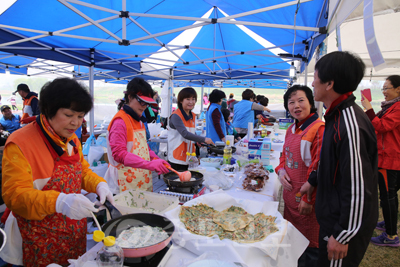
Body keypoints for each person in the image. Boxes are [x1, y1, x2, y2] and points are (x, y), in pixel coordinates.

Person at [0, 78, 115, 266]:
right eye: (69, 114)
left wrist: (99, 184)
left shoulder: (70, 138)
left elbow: (82, 171)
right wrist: (59, 202)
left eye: (80, 116)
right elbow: (15, 196)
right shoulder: (20, 142)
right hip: (39, 235)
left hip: (72, 230)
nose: (75, 123)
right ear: (48, 110)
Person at [300, 51, 378, 266]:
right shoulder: (336, 115)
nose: (313, 82)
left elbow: (358, 187)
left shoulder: (350, 124)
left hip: (342, 225)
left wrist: (344, 234)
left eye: (316, 76)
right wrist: (314, 180)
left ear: (329, 84)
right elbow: (334, 162)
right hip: (334, 217)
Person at [275, 85, 325, 267]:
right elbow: (283, 156)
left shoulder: (318, 129)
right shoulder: (291, 129)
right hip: (290, 200)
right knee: (293, 243)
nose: (296, 106)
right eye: (291, 102)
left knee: (310, 247)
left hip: (307, 202)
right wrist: (280, 171)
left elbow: (318, 168)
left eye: (301, 100)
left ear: (311, 103)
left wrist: (308, 199)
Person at [105, 77, 170, 194]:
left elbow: (144, 148)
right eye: (141, 101)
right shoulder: (120, 122)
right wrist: (149, 164)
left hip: (139, 180)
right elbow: (119, 154)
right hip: (121, 184)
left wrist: (157, 159)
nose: (144, 106)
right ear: (130, 97)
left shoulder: (138, 120)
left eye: (147, 103)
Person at [361, 75, 400, 247]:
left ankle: (391, 236)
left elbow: (383, 127)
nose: (383, 92)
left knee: (388, 196)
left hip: (389, 159)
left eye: (386, 88)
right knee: (389, 195)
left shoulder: (398, 108)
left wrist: (369, 109)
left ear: (398, 89)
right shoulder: (390, 106)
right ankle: (388, 224)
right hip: (387, 157)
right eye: (383, 88)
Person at [168, 87, 214, 170]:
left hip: (190, 157)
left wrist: (198, 140)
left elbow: (191, 132)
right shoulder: (176, 116)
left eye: (193, 99)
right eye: (188, 99)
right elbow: (185, 133)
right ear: (181, 100)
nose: (191, 102)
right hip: (177, 158)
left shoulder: (193, 115)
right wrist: (204, 139)